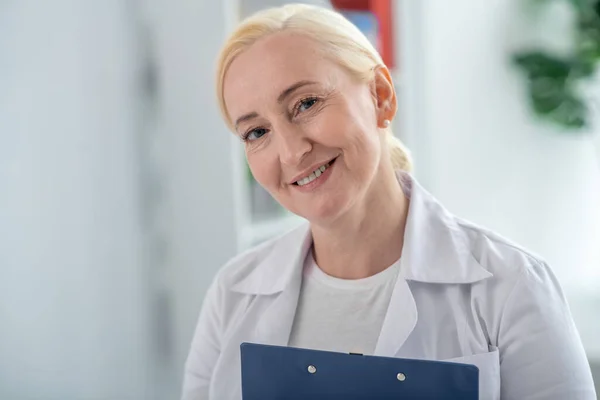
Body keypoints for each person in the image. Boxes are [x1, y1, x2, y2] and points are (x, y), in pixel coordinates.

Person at [181, 4, 596, 400]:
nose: (290, 152)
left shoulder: (512, 286)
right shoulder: (232, 294)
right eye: (256, 132)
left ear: (380, 96)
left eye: (306, 104)